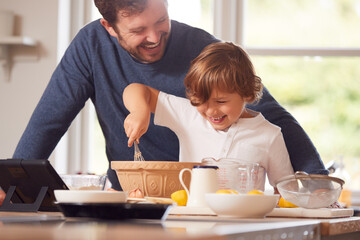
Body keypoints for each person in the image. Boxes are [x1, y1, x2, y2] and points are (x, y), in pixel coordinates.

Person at [12, 0, 327, 191]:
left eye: (161, 20)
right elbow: (48, 121)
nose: (154, 37)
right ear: (109, 27)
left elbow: (274, 117)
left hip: (191, 198)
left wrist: (318, 182)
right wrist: (11, 180)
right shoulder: (90, 46)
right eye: (138, 31)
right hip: (131, 196)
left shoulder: (203, 50)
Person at [123, 42, 294, 190]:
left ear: (247, 93)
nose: (211, 111)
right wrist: (140, 111)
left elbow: (286, 191)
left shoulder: (269, 135)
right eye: (201, 100)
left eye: (221, 101)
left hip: (243, 225)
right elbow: (137, 89)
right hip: (190, 222)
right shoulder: (189, 115)